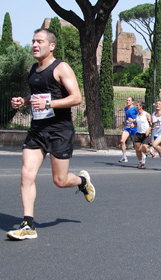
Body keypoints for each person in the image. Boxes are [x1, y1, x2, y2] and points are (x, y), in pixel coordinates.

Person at [7, 29, 95, 241]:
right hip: (37, 130)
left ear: (52, 46)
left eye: (40, 41)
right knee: (26, 174)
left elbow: (76, 98)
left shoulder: (61, 68)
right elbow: (37, 95)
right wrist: (24, 101)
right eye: (33, 41)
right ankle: (28, 224)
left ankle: (82, 181)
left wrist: (49, 103)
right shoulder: (34, 69)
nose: (35, 45)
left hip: (59, 130)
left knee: (60, 180)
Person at [133, 100, 154, 168]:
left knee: (143, 148)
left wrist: (148, 130)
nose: (136, 106)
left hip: (145, 134)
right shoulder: (137, 115)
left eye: (137, 105)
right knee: (137, 149)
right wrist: (132, 125)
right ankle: (141, 162)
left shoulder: (146, 114)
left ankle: (150, 150)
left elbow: (152, 125)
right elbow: (136, 124)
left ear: (141, 107)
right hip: (139, 133)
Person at [118, 96, 137, 163]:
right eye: (127, 100)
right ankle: (124, 157)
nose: (127, 101)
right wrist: (125, 122)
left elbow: (140, 117)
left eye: (129, 100)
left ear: (132, 101)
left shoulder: (135, 108)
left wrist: (133, 120)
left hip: (134, 127)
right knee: (122, 141)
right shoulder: (126, 108)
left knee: (138, 144)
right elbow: (127, 117)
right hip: (127, 127)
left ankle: (146, 153)